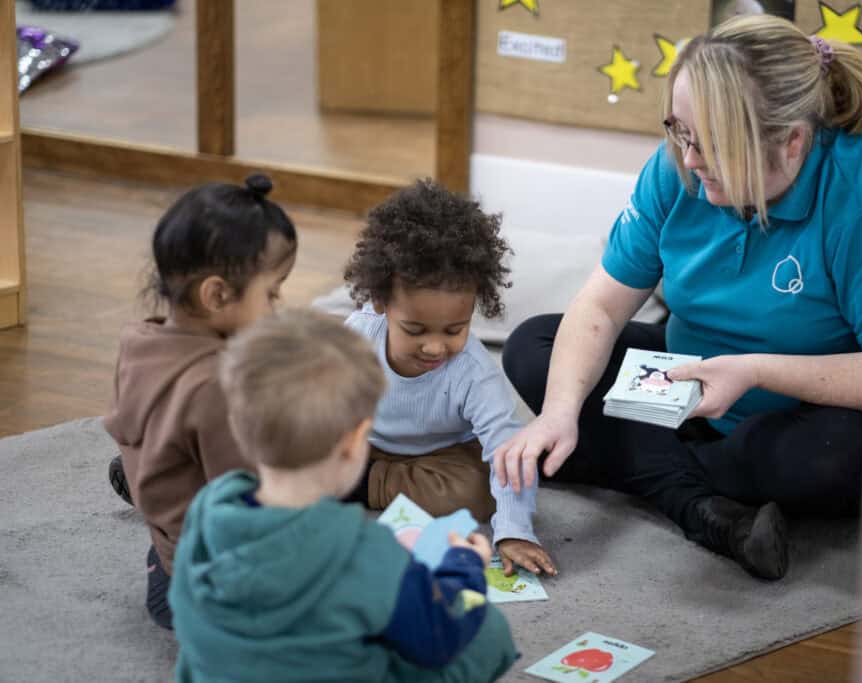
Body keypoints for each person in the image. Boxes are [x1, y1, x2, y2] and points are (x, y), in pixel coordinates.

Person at [495, 15, 862, 580]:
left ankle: (666, 476)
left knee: (840, 457)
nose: (687, 159)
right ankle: (705, 502)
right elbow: (602, 304)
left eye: (711, 145)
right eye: (678, 131)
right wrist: (561, 412)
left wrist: (757, 371)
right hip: (691, 370)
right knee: (533, 345)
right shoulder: (678, 164)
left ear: (792, 144)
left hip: (802, 403)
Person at [169, 309, 518, 683]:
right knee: (487, 633)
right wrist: (463, 567)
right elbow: (438, 639)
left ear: (238, 429)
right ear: (356, 442)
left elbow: (185, 610)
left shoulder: (209, 508)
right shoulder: (368, 551)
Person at [334, 179, 556, 577]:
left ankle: (356, 486)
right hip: (364, 443)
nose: (435, 348)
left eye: (455, 330)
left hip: (442, 458)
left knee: (477, 489)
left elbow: (506, 451)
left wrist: (514, 530)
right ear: (381, 303)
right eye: (416, 330)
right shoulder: (359, 333)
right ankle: (352, 476)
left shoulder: (475, 372)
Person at [103, 174, 296, 627]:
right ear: (216, 295)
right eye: (271, 292)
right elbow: (246, 506)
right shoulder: (216, 389)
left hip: (170, 533)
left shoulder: (141, 338)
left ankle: (160, 509)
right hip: (205, 578)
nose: (279, 303)